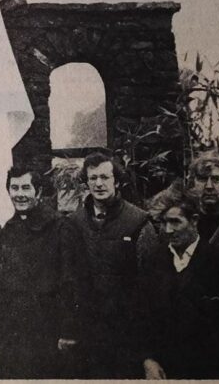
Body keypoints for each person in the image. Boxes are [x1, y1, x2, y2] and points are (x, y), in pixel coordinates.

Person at [64, 149, 158, 378]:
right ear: (86, 182)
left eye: (105, 177)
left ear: (116, 180)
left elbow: (152, 288)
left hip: (126, 336)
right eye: (93, 178)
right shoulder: (74, 223)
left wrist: (147, 351)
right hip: (88, 336)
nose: (99, 184)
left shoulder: (138, 222)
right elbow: (68, 279)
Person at [141, 181, 219, 379]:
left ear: (194, 220)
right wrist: (149, 360)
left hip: (209, 372)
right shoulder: (154, 261)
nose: (168, 230)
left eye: (175, 222)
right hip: (163, 373)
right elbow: (144, 319)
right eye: (163, 223)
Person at [0, 167, 78, 378]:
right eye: (14, 188)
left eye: (25, 188)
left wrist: (68, 331)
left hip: (46, 332)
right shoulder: (7, 231)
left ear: (38, 192)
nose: (19, 194)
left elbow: (70, 282)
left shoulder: (60, 228)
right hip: (12, 334)